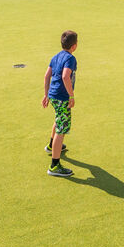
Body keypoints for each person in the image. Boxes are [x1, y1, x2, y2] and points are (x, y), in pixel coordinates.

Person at [42, 30, 77, 177]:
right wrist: (71, 96)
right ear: (74, 46)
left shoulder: (55, 57)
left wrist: (46, 94)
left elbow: (47, 76)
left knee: (58, 119)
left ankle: (52, 146)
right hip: (62, 97)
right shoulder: (70, 58)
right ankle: (54, 166)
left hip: (53, 96)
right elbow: (65, 76)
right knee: (61, 130)